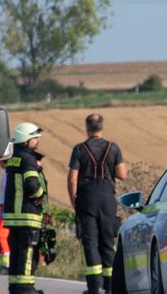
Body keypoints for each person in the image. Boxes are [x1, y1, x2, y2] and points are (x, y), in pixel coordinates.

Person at [67, 113, 127, 294]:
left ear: (87, 127)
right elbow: (122, 175)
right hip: (107, 198)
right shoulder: (113, 148)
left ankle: (94, 287)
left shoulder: (79, 149)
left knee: (90, 242)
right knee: (108, 242)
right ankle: (110, 287)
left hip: (87, 199)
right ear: (102, 127)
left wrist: (74, 201)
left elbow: (72, 179)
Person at [2, 122, 49, 294]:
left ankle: (15, 287)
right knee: (28, 253)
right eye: (35, 138)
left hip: (13, 217)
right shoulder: (28, 159)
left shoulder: (13, 158)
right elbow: (31, 185)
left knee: (16, 253)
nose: (38, 141)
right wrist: (40, 195)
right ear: (26, 140)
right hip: (28, 215)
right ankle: (26, 288)